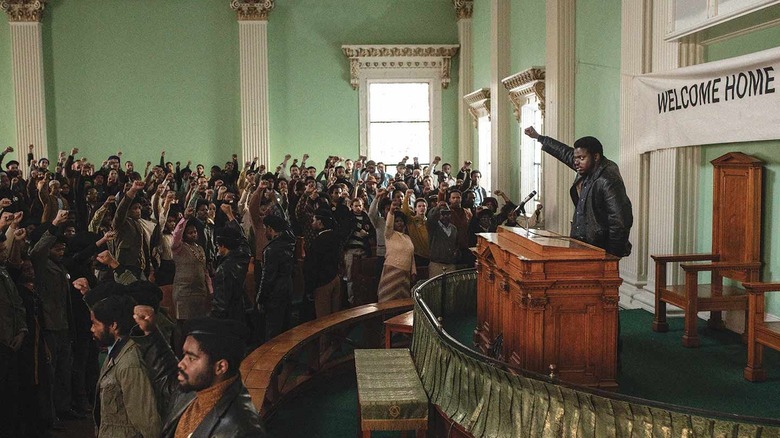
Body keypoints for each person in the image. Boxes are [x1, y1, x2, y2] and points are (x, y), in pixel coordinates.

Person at [131, 313, 268, 437]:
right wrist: (150, 331)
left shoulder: (242, 429)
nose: (181, 364)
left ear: (220, 367)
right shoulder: (196, 389)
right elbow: (166, 372)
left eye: (192, 358)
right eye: (184, 355)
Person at [524, 126, 633, 257]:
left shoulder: (608, 179)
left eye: (581, 158)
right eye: (575, 158)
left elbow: (620, 220)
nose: (576, 162)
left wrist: (612, 257)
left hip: (599, 249)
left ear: (596, 157)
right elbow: (564, 152)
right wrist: (539, 138)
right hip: (581, 243)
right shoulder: (586, 166)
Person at [90, 293, 161, 438]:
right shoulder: (115, 353)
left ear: (113, 325)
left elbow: (148, 422)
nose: (92, 329)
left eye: (95, 323)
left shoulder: (129, 364)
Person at [257, 215, 296, 341]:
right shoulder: (290, 243)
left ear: (270, 228)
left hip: (275, 293)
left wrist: (261, 299)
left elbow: (267, 277)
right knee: (286, 329)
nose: (264, 232)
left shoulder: (271, 249)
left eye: (265, 229)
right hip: (288, 288)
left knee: (273, 333)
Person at [210, 205, 251, 322]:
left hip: (228, 318)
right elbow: (242, 239)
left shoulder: (223, 269)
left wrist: (213, 322)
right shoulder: (243, 256)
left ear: (223, 245)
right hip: (240, 309)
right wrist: (230, 215)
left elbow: (221, 304)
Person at [376, 206, 416, 302]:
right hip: (392, 272)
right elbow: (388, 225)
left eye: (401, 221)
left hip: (405, 274)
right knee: (386, 301)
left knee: (402, 303)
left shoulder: (407, 238)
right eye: (397, 221)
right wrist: (391, 212)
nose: (399, 223)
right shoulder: (389, 234)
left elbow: (411, 255)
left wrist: (413, 271)